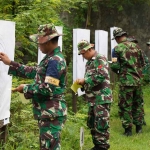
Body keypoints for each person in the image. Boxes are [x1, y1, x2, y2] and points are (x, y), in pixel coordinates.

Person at [0, 23, 67, 150]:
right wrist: (10, 63)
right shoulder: (50, 58)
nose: (38, 45)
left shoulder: (55, 61)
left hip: (51, 113)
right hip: (48, 112)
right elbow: (35, 71)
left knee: (49, 147)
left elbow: (47, 89)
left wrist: (25, 88)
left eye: (39, 42)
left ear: (47, 41)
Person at [75, 40, 112, 150]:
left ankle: (102, 146)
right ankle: (97, 144)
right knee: (93, 123)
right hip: (93, 99)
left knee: (101, 122)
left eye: (83, 53)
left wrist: (85, 81)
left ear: (88, 49)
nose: (82, 56)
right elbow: (91, 79)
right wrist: (80, 85)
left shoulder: (100, 58)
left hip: (101, 97)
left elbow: (102, 75)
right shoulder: (89, 62)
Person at [110, 28, 145, 136]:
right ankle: (139, 128)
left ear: (116, 38)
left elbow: (115, 66)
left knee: (125, 105)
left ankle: (128, 131)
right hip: (138, 81)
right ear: (124, 35)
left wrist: (121, 71)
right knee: (137, 104)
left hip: (126, 82)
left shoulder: (116, 49)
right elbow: (143, 63)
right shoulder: (137, 46)